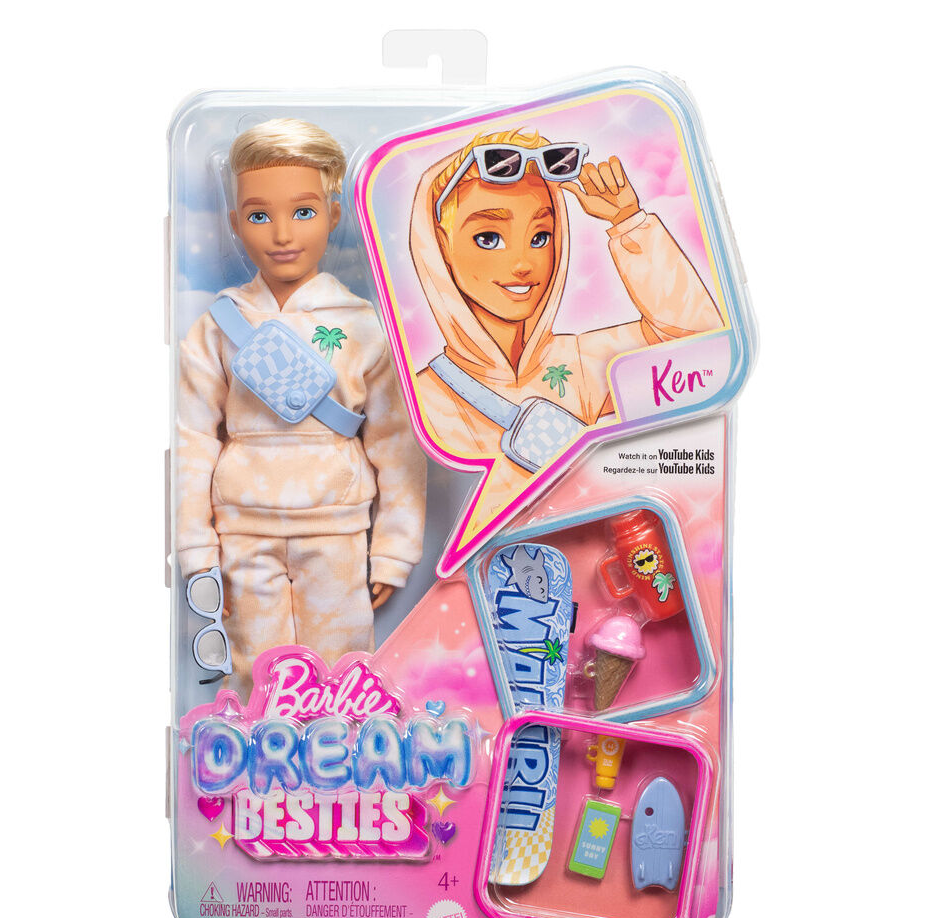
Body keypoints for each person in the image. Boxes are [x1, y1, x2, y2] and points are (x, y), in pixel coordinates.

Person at [177, 118, 426, 696]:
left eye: (304, 211)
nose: (282, 234)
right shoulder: (218, 326)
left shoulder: (363, 323)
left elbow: (397, 440)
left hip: (337, 523)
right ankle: (258, 751)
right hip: (242, 523)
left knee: (343, 664)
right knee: (255, 667)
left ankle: (341, 745)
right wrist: (196, 546)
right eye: (259, 216)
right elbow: (193, 437)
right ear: (235, 223)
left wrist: (394, 547)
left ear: (335, 215)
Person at [410, 127, 722, 517]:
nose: (523, 264)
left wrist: (628, 223)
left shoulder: (581, 363)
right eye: (489, 238)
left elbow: (701, 350)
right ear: (439, 244)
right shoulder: (420, 401)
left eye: (541, 236)